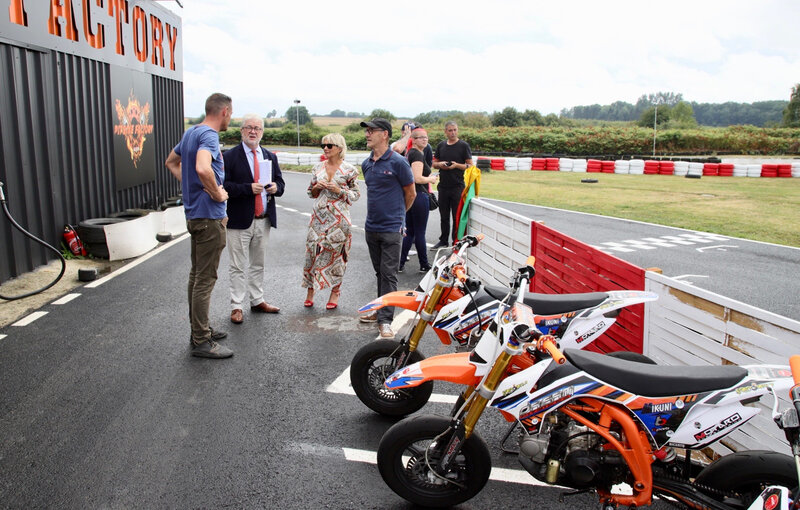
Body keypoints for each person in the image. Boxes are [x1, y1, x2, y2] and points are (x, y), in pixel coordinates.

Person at [165, 92, 233, 359]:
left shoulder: (190, 133)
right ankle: (202, 340)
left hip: (195, 216)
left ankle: (200, 329)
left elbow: (171, 161)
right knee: (205, 280)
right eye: (230, 114)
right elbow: (204, 168)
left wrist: (190, 184)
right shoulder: (208, 136)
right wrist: (216, 193)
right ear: (224, 111)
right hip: (209, 218)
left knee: (196, 277)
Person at [222, 114, 285, 324]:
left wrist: (276, 188)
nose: (253, 131)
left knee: (258, 263)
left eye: (257, 128)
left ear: (262, 132)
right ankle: (236, 305)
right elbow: (224, 187)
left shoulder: (269, 156)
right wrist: (248, 189)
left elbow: (280, 183)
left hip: (263, 219)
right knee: (238, 265)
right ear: (241, 131)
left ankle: (257, 300)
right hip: (239, 220)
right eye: (249, 127)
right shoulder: (230, 156)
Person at [358, 118, 416, 338]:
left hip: (391, 228)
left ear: (385, 134)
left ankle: (385, 321)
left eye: (371, 131)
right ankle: (381, 309)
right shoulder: (367, 164)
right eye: (367, 131)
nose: (367, 134)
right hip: (371, 227)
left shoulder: (398, 162)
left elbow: (410, 194)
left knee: (389, 275)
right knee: (379, 273)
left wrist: (399, 217)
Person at [302, 133, 360, 309]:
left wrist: (339, 190)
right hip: (318, 218)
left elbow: (356, 194)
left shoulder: (350, 170)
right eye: (323, 146)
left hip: (339, 219)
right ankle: (310, 290)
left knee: (338, 255)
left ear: (339, 148)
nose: (325, 148)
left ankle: (335, 291)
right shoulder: (317, 168)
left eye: (329, 145)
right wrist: (316, 188)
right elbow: (309, 192)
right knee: (312, 253)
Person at [400, 127, 439, 273]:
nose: (425, 139)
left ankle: (400, 262)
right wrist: (432, 179)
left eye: (426, 137)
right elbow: (417, 178)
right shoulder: (417, 154)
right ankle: (424, 264)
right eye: (421, 137)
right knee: (419, 232)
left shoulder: (411, 153)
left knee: (410, 231)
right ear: (414, 140)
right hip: (419, 195)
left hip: (411, 195)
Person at [432, 121, 473, 248]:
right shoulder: (441, 145)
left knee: (457, 216)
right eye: (450, 130)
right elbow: (434, 163)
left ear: (458, 130)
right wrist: (441, 165)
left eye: (455, 130)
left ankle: (456, 241)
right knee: (444, 216)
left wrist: (456, 165)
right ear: (445, 131)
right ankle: (443, 240)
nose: (453, 132)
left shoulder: (463, 146)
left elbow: (470, 165)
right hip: (443, 186)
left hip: (457, 186)